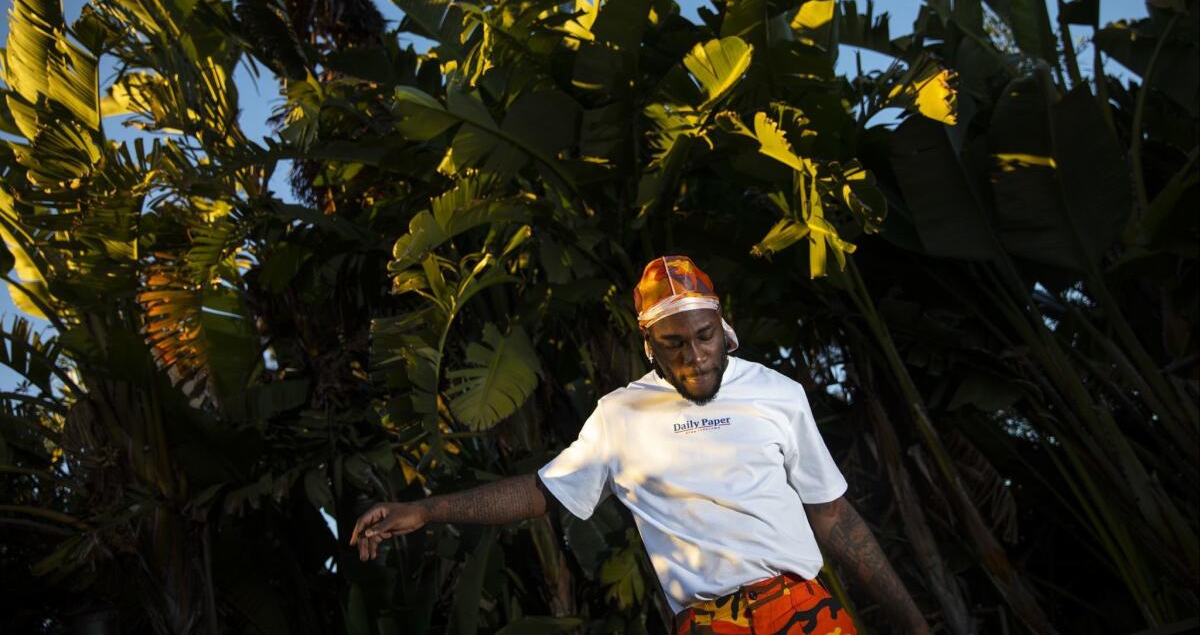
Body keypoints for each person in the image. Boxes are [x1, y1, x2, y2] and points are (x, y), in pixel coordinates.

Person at [351, 256, 930, 635]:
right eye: (673, 343)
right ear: (649, 344)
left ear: (720, 324)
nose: (694, 355)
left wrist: (913, 624)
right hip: (707, 625)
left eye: (704, 337)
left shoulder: (776, 393)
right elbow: (541, 492)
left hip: (802, 608)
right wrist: (426, 509)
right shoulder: (621, 413)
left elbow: (830, 513)